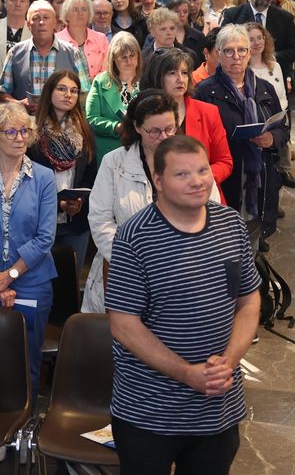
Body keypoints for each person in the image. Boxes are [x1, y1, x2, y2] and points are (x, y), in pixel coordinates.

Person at [106, 135, 261, 475]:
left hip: (216, 409)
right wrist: (187, 374)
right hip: (148, 412)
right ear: (157, 180)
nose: (198, 181)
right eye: (183, 174)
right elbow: (123, 324)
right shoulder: (134, 237)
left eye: (202, 170)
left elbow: (249, 300)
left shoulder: (230, 224)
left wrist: (228, 362)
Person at [0, 103, 57, 402]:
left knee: (27, 361)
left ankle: (23, 424)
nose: (20, 137)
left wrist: (11, 275)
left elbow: (45, 238)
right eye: (11, 131)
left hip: (32, 284)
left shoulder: (43, 177)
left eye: (25, 131)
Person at [82, 90, 178, 313]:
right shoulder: (114, 162)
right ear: (136, 127)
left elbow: (207, 211)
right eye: (154, 131)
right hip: (122, 270)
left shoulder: (190, 159)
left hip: (175, 272)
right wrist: (133, 260)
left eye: (169, 129)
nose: (164, 137)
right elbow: (100, 220)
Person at [194, 26, 288, 247]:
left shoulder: (264, 89)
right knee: (222, 242)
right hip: (226, 177)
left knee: (252, 240)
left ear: (249, 53)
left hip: (258, 178)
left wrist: (272, 138)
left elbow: (283, 129)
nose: (236, 57)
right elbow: (198, 139)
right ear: (217, 53)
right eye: (228, 51)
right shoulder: (205, 92)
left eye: (242, 50)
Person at [28, 70, 98, 276]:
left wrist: (79, 201)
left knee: (70, 283)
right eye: (62, 89)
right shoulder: (33, 130)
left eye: (74, 91)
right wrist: (57, 203)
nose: (68, 95)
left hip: (76, 220)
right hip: (41, 220)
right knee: (41, 281)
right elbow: (26, 180)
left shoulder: (85, 130)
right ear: (49, 92)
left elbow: (91, 173)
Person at [140, 50, 232, 199]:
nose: (180, 79)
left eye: (184, 73)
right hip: (154, 196)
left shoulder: (208, 112)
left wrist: (197, 179)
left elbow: (224, 161)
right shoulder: (145, 115)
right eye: (172, 73)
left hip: (203, 196)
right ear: (157, 77)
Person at [0, 1, 91, 110]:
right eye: (36, 18)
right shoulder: (15, 53)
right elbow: (2, 93)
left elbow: (85, 94)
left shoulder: (73, 53)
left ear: (54, 23)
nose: (41, 22)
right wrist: (19, 104)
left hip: (62, 123)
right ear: (28, 24)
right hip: (26, 123)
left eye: (46, 18)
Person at [219, 0, 295, 81]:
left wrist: (269, 57)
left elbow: (293, 51)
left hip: (273, 76)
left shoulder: (285, 18)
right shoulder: (233, 15)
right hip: (238, 76)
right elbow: (223, 46)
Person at [247, 22, 295, 189]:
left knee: (283, 151)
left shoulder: (274, 65)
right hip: (257, 121)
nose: (257, 43)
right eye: (251, 39)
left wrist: (281, 115)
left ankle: (282, 173)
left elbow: (282, 94)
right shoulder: (244, 69)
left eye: (260, 38)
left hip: (278, 118)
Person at [85, 31, 142, 164]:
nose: (129, 61)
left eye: (132, 56)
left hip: (140, 149)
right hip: (109, 149)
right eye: (123, 57)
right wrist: (116, 126)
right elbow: (92, 118)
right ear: (113, 59)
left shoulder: (146, 81)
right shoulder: (100, 81)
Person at [57, 0, 110, 81]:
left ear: (89, 14)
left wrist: (95, 81)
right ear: (66, 15)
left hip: (97, 89)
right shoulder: (56, 40)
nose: (80, 13)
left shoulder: (101, 38)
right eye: (75, 9)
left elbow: (108, 68)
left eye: (84, 9)